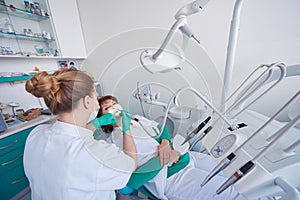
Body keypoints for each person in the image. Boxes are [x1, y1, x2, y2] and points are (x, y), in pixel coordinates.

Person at [97, 95, 247, 200]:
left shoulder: (137, 119)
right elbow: (129, 181)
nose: (112, 107)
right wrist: (164, 159)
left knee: (239, 175)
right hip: (172, 175)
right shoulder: (114, 142)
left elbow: (162, 130)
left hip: (185, 158)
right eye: (106, 108)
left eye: (113, 103)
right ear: (103, 119)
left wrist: (165, 143)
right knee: (234, 193)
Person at [23, 69, 137, 200]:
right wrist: (126, 128)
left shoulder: (36, 133)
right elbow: (131, 164)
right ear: (87, 101)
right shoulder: (97, 153)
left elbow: (71, 135)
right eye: (95, 94)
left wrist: (96, 123)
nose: (98, 99)